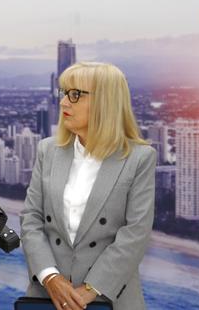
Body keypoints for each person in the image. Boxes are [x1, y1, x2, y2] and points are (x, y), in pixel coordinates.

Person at [20, 62, 156, 310]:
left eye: (75, 95)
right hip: (47, 298)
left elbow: (136, 233)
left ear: (106, 101)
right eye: (64, 93)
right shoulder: (47, 150)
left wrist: (90, 290)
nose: (63, 103)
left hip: (111, 298)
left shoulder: (140, 158)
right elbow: (31, 219)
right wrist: (50, 277)